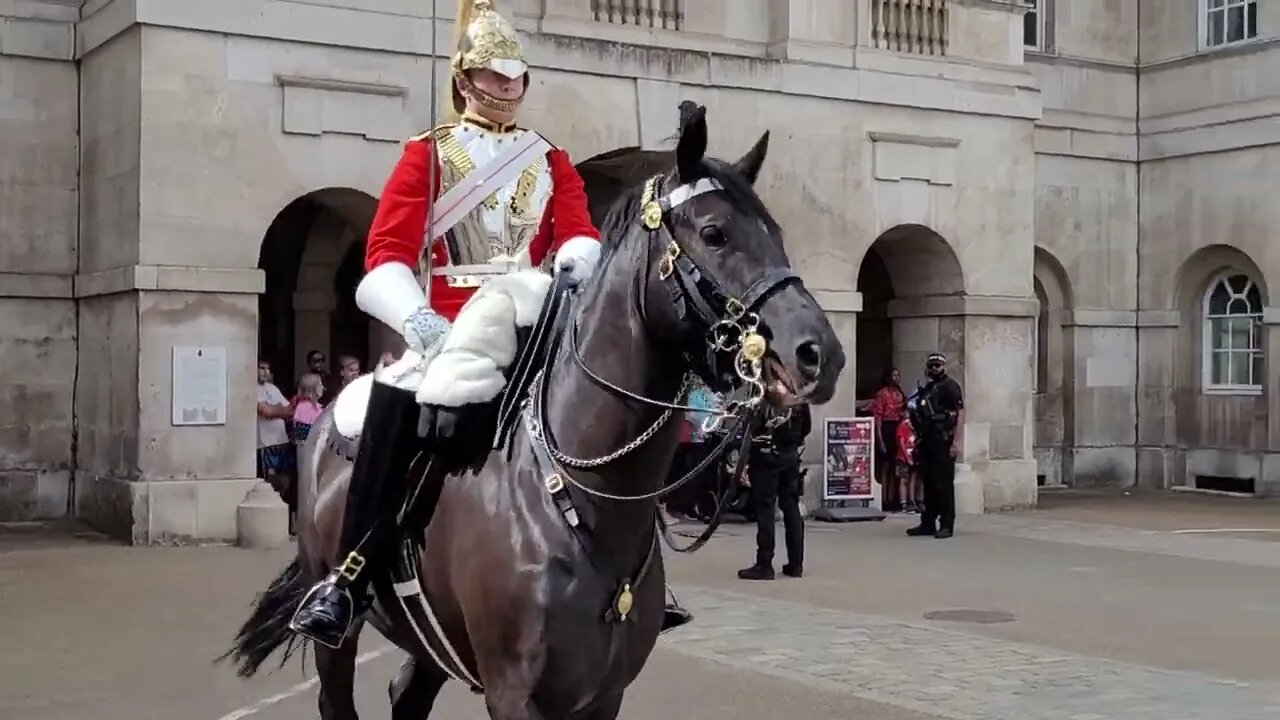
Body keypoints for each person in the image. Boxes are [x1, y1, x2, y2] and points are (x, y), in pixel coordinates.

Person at [289, 0, 687, 648]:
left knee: (610, 411)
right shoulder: (428, 154)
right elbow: (386, 254)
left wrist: (576, 263)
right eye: (495, 77)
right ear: (465, 79)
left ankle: (639, 569)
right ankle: (353, 573)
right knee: (395, 405)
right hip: (445, 324)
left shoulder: (549, 159)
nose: (508, 88)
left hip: (532, 315)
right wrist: (419, 324)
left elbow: (577, 235)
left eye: (516, 77)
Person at [738, 404, 811, 580]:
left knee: (765, 510)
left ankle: (764, 564)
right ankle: (796, 563)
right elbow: (806, 426)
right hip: (790, 456)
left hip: (766, 457)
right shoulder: (797, 397)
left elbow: (750, 428)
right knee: (791, 508)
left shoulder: (764, 397)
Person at [906, 353, 964, 539]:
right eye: (931, 366)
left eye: (937, 366)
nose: (934, 369)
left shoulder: (950, 387)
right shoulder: (929, 388)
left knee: (944, 485)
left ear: (943, 366)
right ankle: (928, 522)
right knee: (928, 483)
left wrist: (957, 442)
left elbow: (960, 414)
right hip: (927, 440)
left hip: (943, 440)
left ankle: (946, 524)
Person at [256, 361, 296, 504]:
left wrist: (274, 410)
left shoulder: (272, 388)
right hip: (265, 444)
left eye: (268, 368)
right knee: (269, 484)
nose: (265, 372)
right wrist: (275, 410)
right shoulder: (251, 389)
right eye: (262, 368)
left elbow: (291, 410)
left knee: (285, 482)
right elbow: (266, 412)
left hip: (282, 441)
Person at [869, 367, 906, 511]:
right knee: (884, 467)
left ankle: (893, 497)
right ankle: (883, 498)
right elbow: (877, 417)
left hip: (897, 428)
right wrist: (880, 439)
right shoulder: (882, 394)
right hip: (885, 429)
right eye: (893, 375)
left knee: (894, 466)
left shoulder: (899, 394)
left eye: (898, 375)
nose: (896, 378)